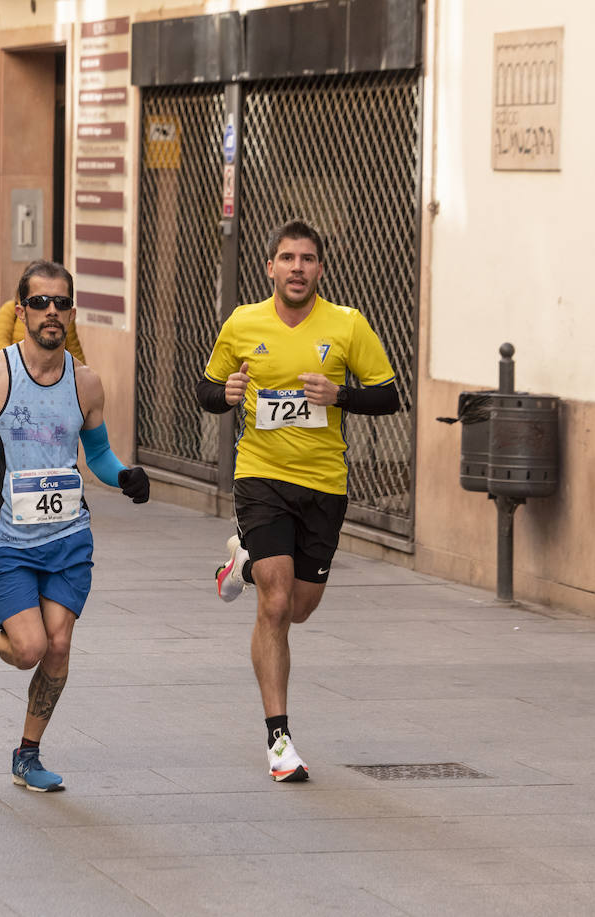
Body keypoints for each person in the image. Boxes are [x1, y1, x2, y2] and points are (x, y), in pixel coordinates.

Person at [0, 260, 151, 792]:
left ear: (72, 312)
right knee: (28, 650)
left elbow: (98, 455)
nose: (52, 311)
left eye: (61, 303)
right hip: (8, 539)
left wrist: (125, 476)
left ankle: (27, 755)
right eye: (41, 302)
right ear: (21, 309)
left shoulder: (87, 383)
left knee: (59, 646)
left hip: (69, 537)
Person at [196, 220, 399, 784]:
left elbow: (388, 395)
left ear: (320, 269)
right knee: (276, 601)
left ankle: (242, 564)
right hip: (261, 476)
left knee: (300, 608)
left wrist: (341, 395)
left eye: (307, 259)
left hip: (324, 483)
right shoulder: (243, 322)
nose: (297, 268)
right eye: (287, 258)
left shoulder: (347, 324)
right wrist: (226, 394)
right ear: (270, 267)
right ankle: (279, 738)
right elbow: (207, 389)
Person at [0, 297, 87, 363]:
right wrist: (20, 363)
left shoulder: (62, 315)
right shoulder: (10, 308)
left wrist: (81, 375)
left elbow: (74, 350)